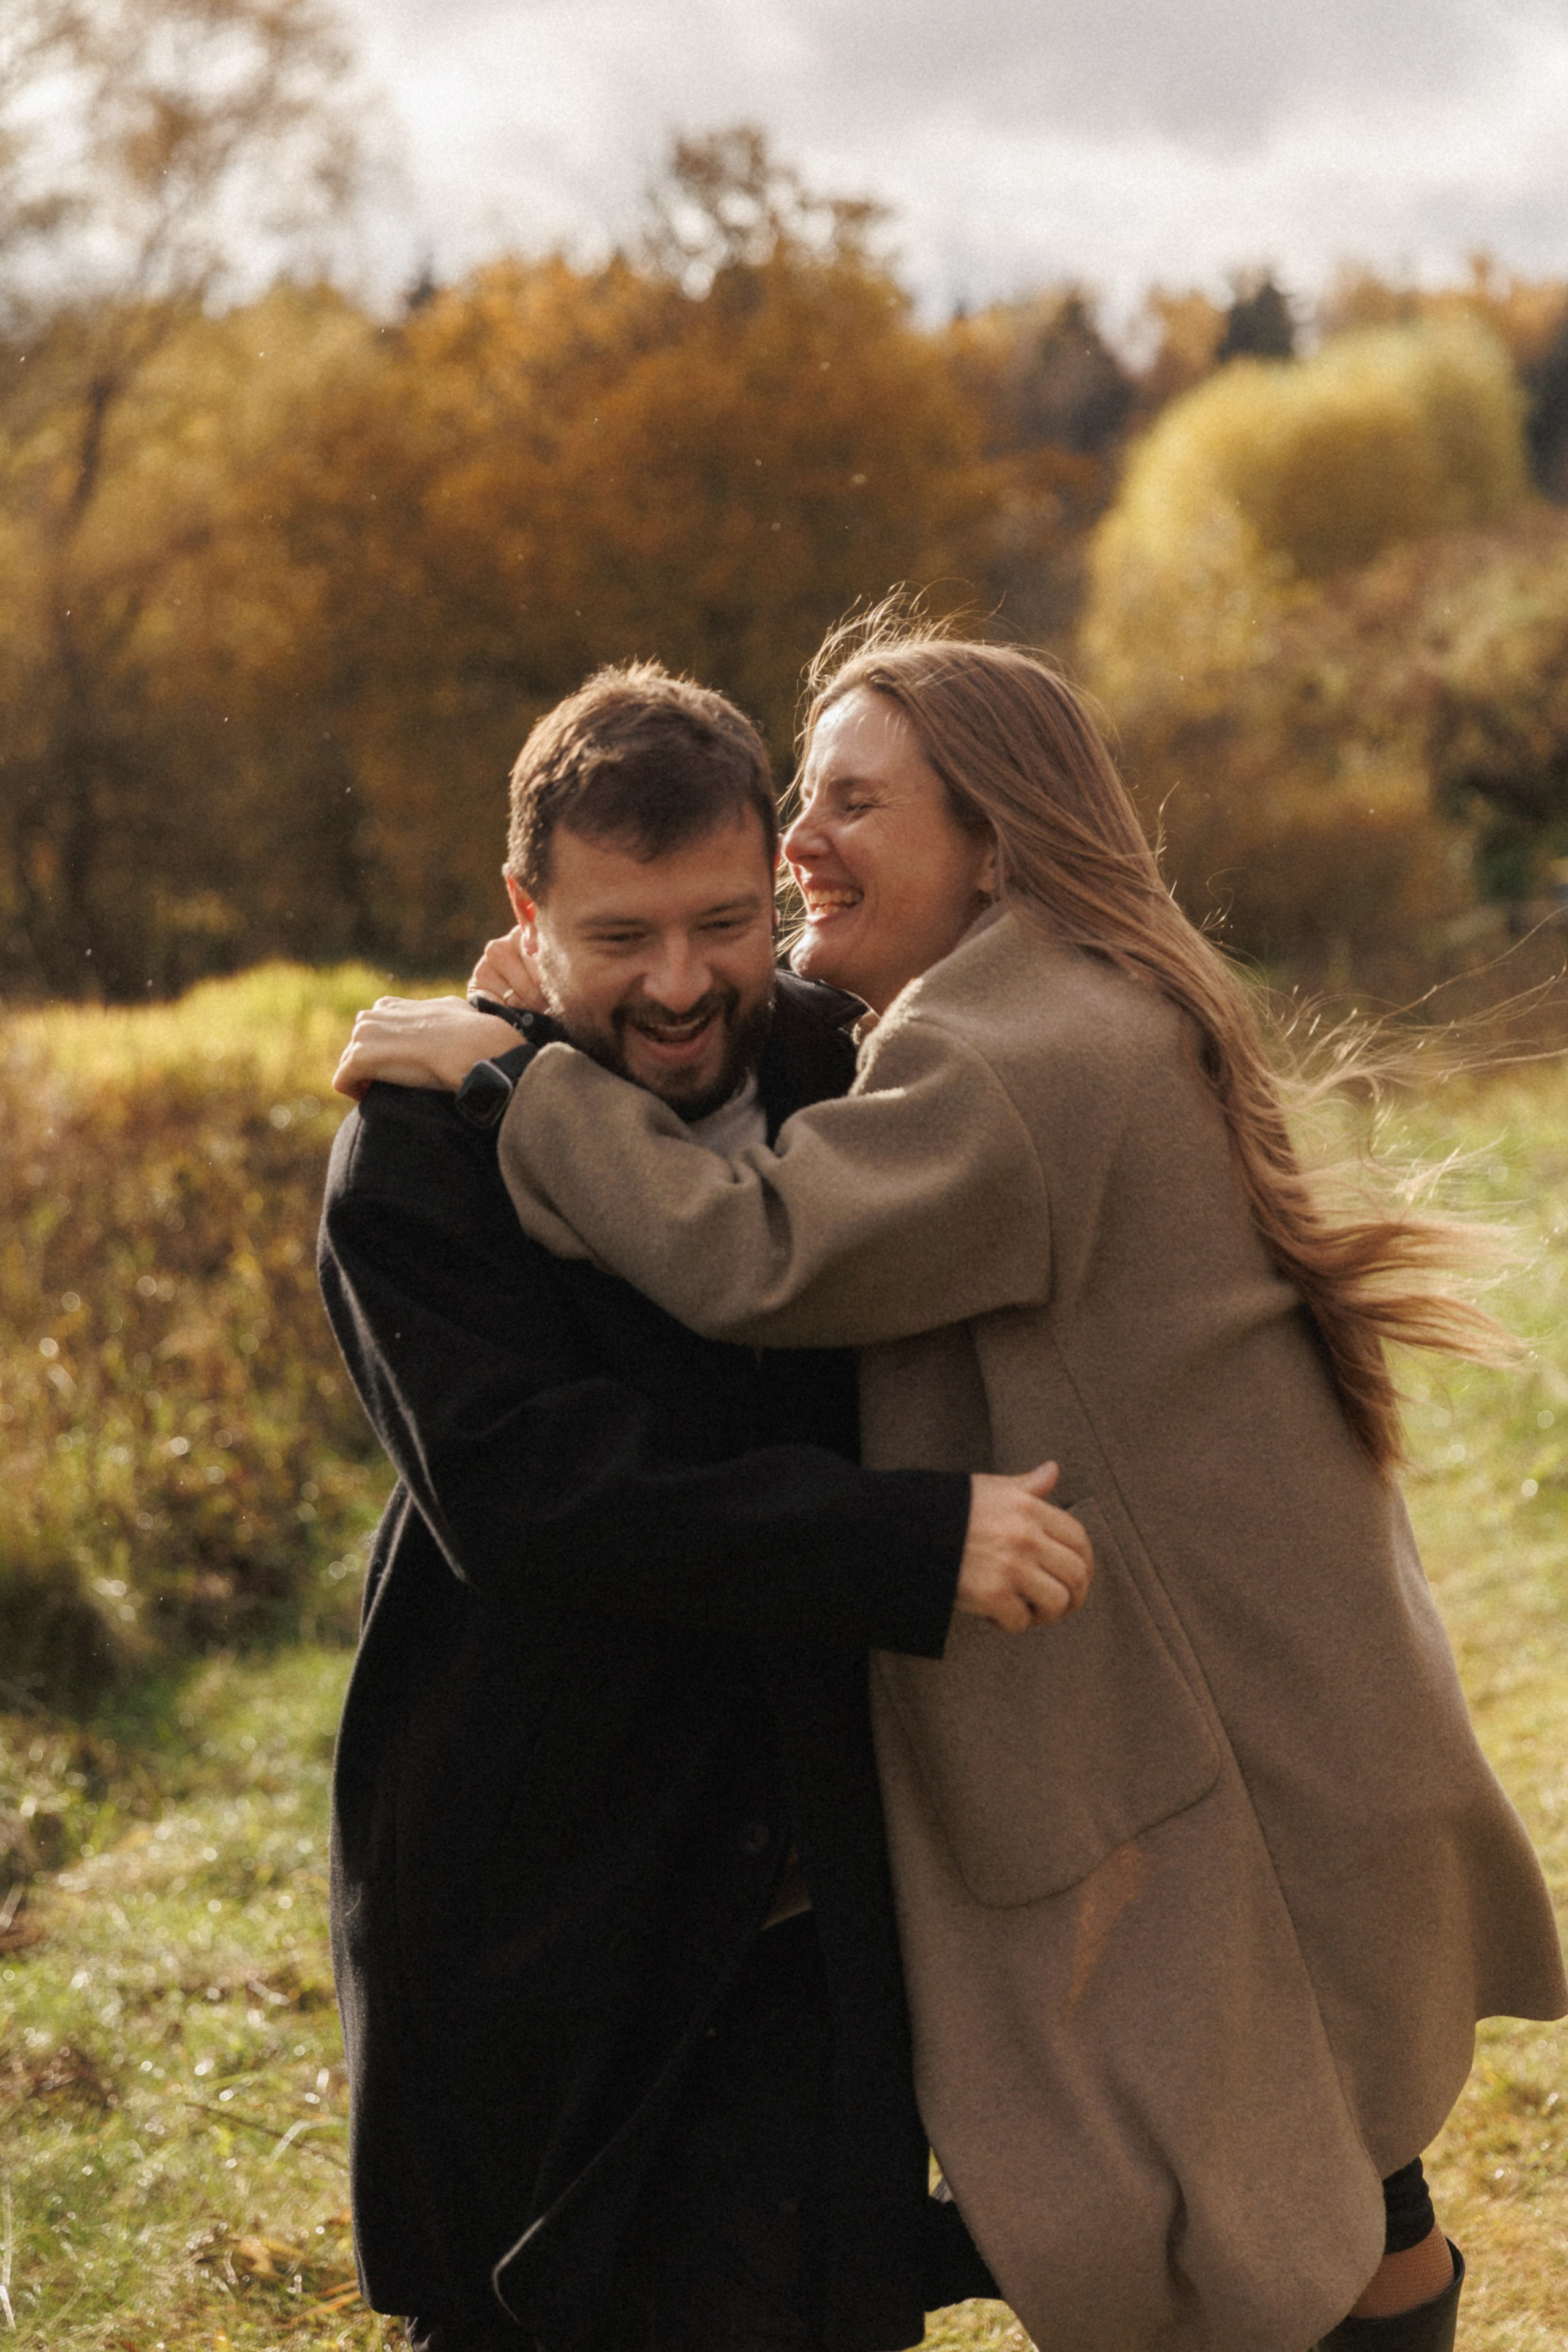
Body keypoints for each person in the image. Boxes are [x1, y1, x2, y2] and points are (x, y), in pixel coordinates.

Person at [350, 624, 1567, 2352]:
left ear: (991, 838)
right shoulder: (1036, 1000)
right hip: (1236, 1730)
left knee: (1287, 2197)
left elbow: (762, 1247)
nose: (801, 845)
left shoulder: (1008, 1047)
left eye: (854, 801)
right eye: (808, 797)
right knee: (1310, 2179)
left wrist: (518, 1072)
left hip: (1209, 1749)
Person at [318, 660, 1093, 2352]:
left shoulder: (858, 1074)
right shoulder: (417, 1147)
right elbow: (542, 1498)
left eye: (723, 924)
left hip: (810, 1897)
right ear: (528, 914)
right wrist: (908, 1539)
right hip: (541, 1898)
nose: (682, 986)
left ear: (777, 883)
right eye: (621, 939)